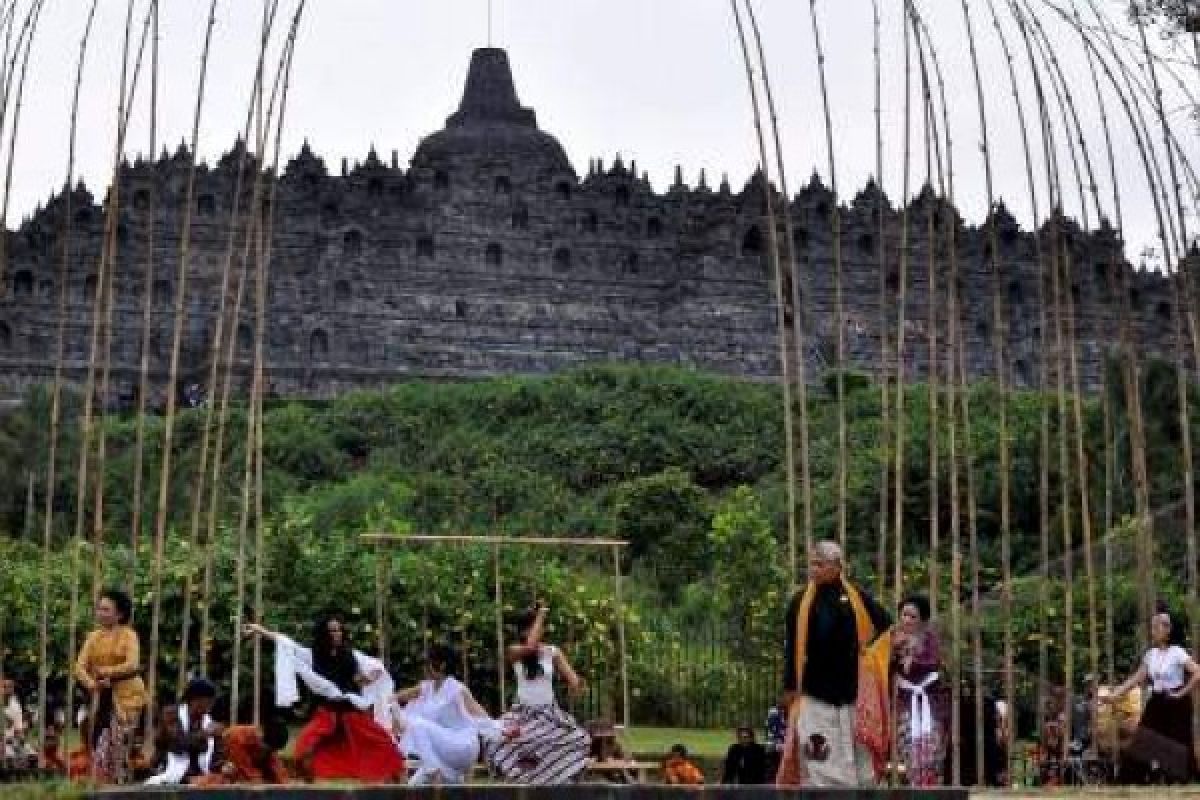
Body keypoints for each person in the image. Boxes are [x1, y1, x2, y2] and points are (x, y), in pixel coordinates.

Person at [776, 541, 891, 788]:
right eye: (812, 564)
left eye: (820, 564)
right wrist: (789, 686)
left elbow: (885, 626)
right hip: (814, 692)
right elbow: (791, 647)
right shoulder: (799, 601)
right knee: (818, 752)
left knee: (858, 757)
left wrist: (869, 658)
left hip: (851, 691)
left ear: (837, 566)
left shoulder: (855, 597)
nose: (813, 569)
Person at [245, 614, 404, 783]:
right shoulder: (312, 655)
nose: (337, 634)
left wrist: (370, 677)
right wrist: (259, 630)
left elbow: (364, 675)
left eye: (339, 630)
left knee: (383, 744)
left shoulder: (350, 655)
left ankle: (400, 780)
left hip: (351, 713)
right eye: (332, 631)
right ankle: (310, 785)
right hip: (328, 714)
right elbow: (286, 643)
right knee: (303, 749)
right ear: (324, 634)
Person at [486, 605, 591, 785]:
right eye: (537, 625)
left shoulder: (552, 652)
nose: (541, 629)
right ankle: (525, 774)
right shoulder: (514, 651)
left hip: (549, 714)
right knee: (494, 739)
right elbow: (530, 647)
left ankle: (553, 775)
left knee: (580, 739)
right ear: (526, 629)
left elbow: (573, 679)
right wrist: (541, 614)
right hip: (523, 714)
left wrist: (578, 685)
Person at [393, 643, 503, 785]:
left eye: (429, 663)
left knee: (416, 724)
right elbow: (400, 696)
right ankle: (440, 773)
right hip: (442, 753)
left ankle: (434, 772)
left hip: (462, 746)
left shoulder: (456, 689)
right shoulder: (426, 687)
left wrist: (502, 730)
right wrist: (387, 699)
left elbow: (479, 714)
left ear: (442, 664)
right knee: (413, 787)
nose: (425, 667)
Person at [1112, 610, 1200, 783]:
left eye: (1156, 626)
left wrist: (1181, 693)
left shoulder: (1177, 652)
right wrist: (1114, 694)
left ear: (1168, 629)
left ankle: (1178, 780)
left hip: (1176, 701)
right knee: (1144, 739)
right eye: (1152, 627)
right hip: (1157, 702)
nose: (1152, 630)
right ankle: (1131, 779)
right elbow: (1136, 678)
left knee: (1178, 741)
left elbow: (1198, 672)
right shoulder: (1150, 654)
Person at [73, 588, 147, 784]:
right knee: (100, 740)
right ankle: (105, 781)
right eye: (99, 609)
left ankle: (121, 782)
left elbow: (132, 664)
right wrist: (92, 685)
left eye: (106, 609)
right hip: (102, 696)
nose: (100, 613)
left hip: (128, 697)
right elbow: (79, 667)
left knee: (122, 742)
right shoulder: (93, 637)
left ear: (119, 614)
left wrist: (105, 672)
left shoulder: (129, 635)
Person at [891, 595, 949, 787]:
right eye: (904, 615)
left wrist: (912, 659)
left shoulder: (930, 640)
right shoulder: (893, 640)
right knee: (908, 750)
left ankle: (931, 789)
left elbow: (932, 664)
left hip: (929, 705)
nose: (906, 620)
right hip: (905, 704)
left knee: (931, 751)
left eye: (912, 616)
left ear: (922, 620)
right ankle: (913, 787)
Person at [145, 677, 222, 786]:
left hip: (200, 777)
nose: (211, 704)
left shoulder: (209, 722)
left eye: (212, 701)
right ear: (194, 699)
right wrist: (204, 734)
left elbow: (216, 759)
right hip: (169, 772)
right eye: (208, 700)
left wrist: (224, 766)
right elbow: (178, 745)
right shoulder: (170, 714)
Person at [191, 720, 291, 787]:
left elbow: (278, 770)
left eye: (270, 750)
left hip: (249, 772)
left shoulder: (270, 747)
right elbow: (247, 771)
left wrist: (285, 786)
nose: (264, 752)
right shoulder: (236, 737)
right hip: (225, 770)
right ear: (260, 734)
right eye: (264, 748)